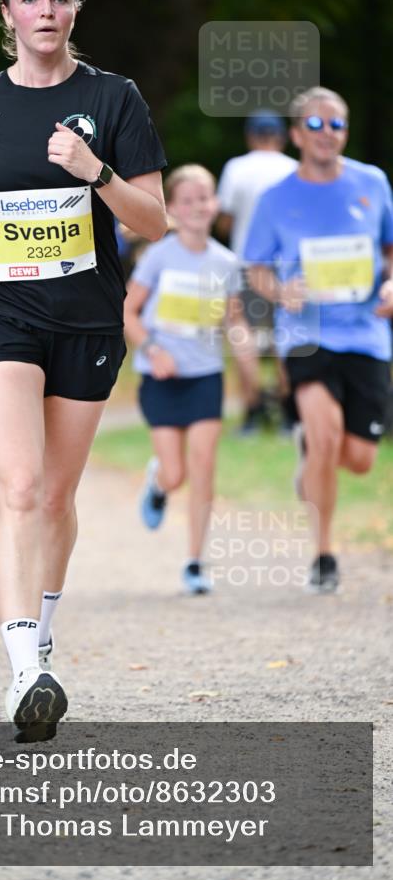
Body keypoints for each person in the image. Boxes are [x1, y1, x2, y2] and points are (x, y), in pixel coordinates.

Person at [0, 0, 167, 740]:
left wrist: (96, 171)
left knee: (56, 496)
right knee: (18, 486)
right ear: (8, 14)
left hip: (87, 319)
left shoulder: (113, 98)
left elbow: (152, 220)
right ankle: (25, 668)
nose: (46, 13)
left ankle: (42, 635)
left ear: (74, 10)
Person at [244, 86, 393, 593]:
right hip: (306, 337)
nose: (327, 133)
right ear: (294, 134)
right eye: (315, 124)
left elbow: (390, 250)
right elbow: (256, 268)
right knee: (327, 436)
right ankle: (325, 554)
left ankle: (309, 454)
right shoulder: (275, 199)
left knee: (359, 457)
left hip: (368, 335)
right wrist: (280, 290)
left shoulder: (372, 183)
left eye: (337, 124)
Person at [124, 165, 243, 594]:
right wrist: (153, 350)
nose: (197, 206)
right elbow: (128, 313)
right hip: (160, 377)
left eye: (205, 198)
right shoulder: (158, 255)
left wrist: (249, 351)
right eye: (187, 200)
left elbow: (233, 323)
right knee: (176, 475)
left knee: (204, 467)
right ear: (172, 208)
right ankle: (158, 481)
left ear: (216, 204)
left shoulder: (227, 263)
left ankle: (195, 562)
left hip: (205, 376)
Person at [217, 111, 297, 433]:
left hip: (246, 264)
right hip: (286, 266)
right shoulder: (294, 169)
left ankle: (252, 413)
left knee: (242, 336)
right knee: (285, 338)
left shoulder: (237, 168)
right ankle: (287, 412)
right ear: (281, 137)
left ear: (251, 136)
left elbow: (225, 220)